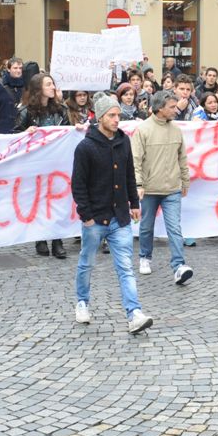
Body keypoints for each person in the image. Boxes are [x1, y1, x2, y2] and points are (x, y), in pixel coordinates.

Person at [71, 93, 153, 334]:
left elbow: (129, 173)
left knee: (125, 266)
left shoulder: (124, 141)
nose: (117, 119)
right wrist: (85, 215)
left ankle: (134, 313)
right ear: (99, 117)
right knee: (87, 262)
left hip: (120, 217)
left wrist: (133, 202)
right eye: (112, 115)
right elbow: (78, 185)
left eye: (118, 115)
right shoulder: (85, 147)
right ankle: (82, 302)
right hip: (95, 217)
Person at [131, 90, 194, 285]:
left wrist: (185, 181)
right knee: (146, 226)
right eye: (172, 107)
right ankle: (145, 257)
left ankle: (179, 266)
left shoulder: (176, 130)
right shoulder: (143, 130)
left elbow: (182, 158)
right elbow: (135, 160)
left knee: (174, 228)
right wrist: (138, 184)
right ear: (159, 109)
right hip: (149, 189)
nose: (177, 110)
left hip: (172, 188)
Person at [15, 73, 71, 259]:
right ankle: (40, 238)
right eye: (49, 84)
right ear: (39, 89)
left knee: (57, 202)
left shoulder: (61, 110)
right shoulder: (25, 112)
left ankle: (57, 240)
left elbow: (68, 131)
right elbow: (13, 137)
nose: (53, 87)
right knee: (39, 201)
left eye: (53, 84)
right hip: (36, 166)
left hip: (57, 164)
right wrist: (25, 133)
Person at [0, 57, 27, 134]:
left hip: (23, 129)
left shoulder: (27, 85)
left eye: (20, 68)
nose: (18, 70)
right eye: (15, 68)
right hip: (3, 129)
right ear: (8, 69)